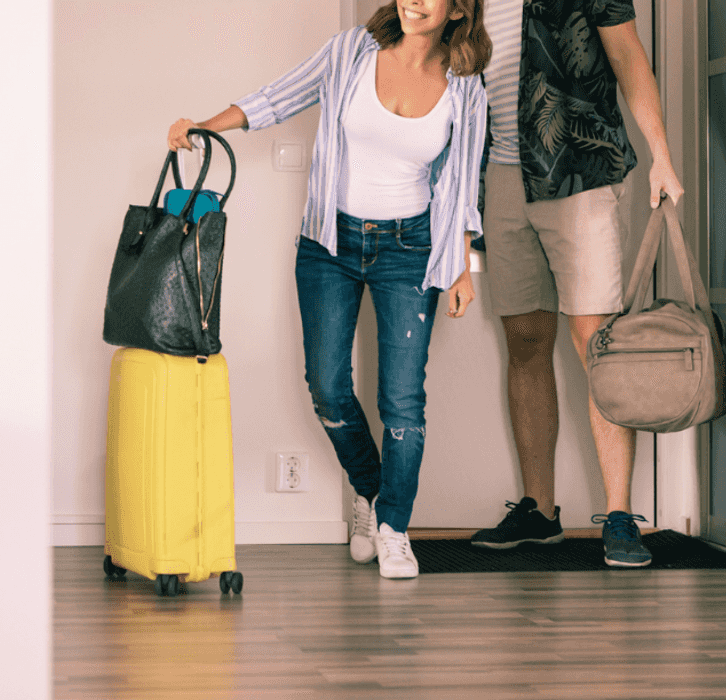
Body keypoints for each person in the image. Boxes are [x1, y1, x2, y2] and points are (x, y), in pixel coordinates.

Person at [169, 0, 491, 579]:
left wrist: (463, 266)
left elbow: (464, 180)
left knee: (402, 400)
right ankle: (371, 489)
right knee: (327, 387)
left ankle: (393, 527)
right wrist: (204, 126)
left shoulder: (466, 86)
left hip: (411, 250)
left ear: (458, 9)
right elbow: (277, 98)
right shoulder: (351, 51)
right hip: (328, 242)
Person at [469, 0, 684, 567]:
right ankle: (539, 512)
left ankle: (620, 515)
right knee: (525, 341)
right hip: (501, 177)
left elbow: (628, 55)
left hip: (580, 170)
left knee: (598, 345)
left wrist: (660, 154)